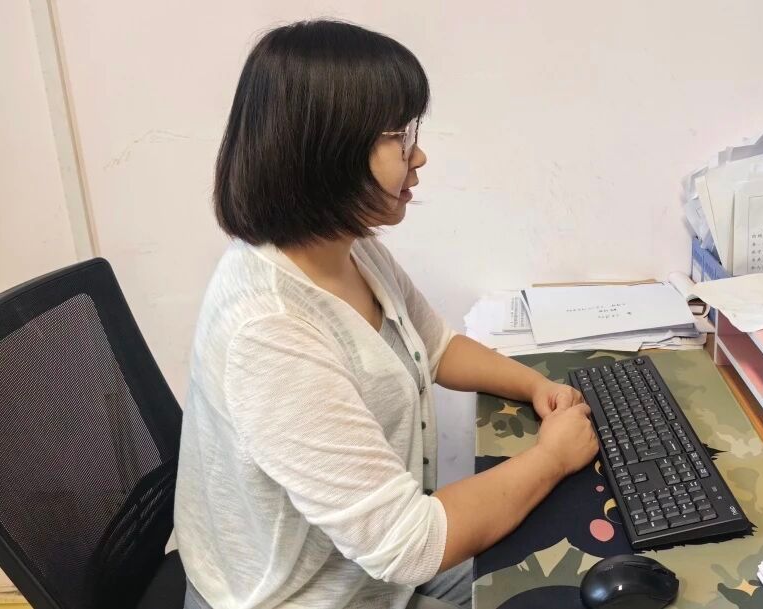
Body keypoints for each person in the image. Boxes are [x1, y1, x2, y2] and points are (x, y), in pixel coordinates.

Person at [174, 19, 599, 609]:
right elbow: (408, 544)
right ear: (327, 153)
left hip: (370, 564)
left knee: (569, 554)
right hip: (313, 595)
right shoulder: (268, 331)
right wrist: (551, 457)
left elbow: (436, 345)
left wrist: (535, 385)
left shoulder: (347, 246)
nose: (418, 155)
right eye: (399, 138)